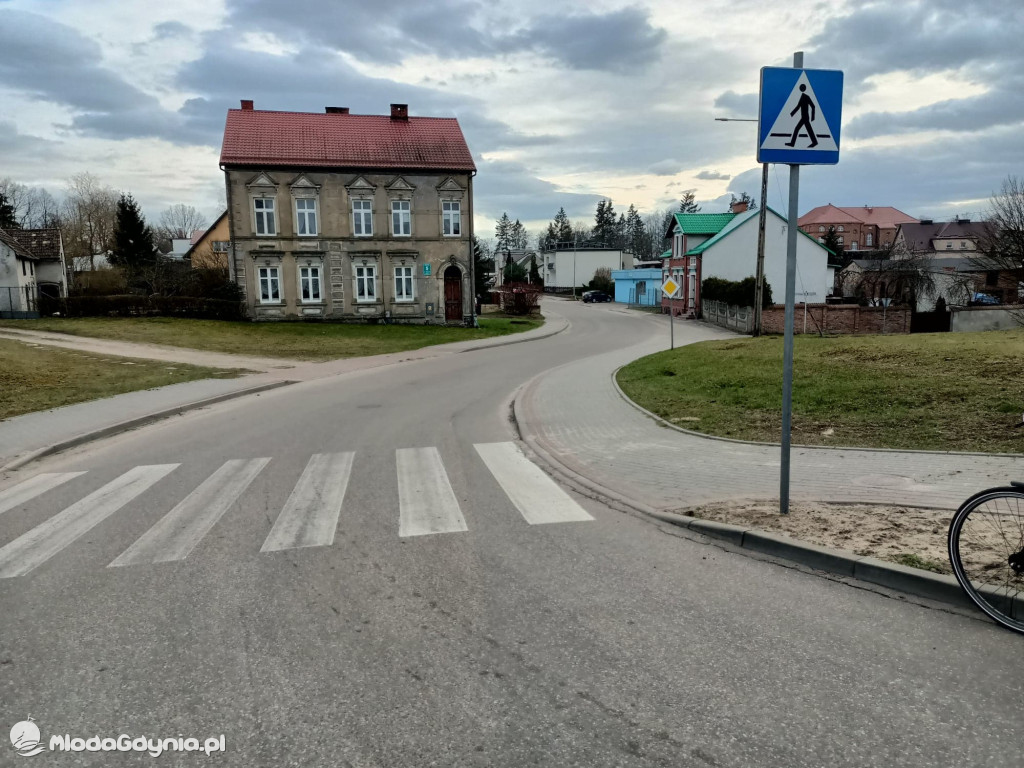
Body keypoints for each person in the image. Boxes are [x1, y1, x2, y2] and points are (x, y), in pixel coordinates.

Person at [785, 84, 818, 148]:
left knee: (798, 129)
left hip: (805, 117)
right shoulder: (802, 97)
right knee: (807, 130)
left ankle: (792, 143)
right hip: (803, 117)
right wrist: (791, 114)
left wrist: (812, 117)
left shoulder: (806, 97)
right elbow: (798, 106)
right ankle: (814, 142)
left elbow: (813, 106)